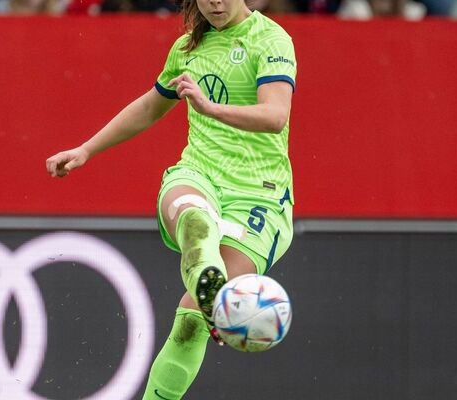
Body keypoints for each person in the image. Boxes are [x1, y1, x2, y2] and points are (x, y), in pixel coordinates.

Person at [45, 0, 296, 396]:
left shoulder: (271, 39)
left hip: (258, 198)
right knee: (194, 219)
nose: (214, 2)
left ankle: (205, 305)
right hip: (199, 173)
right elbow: (150, 106)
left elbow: (275, 115)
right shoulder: (186, 48)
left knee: (191, 324)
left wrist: (210, 108)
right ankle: (213, 295)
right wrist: (87, 149)